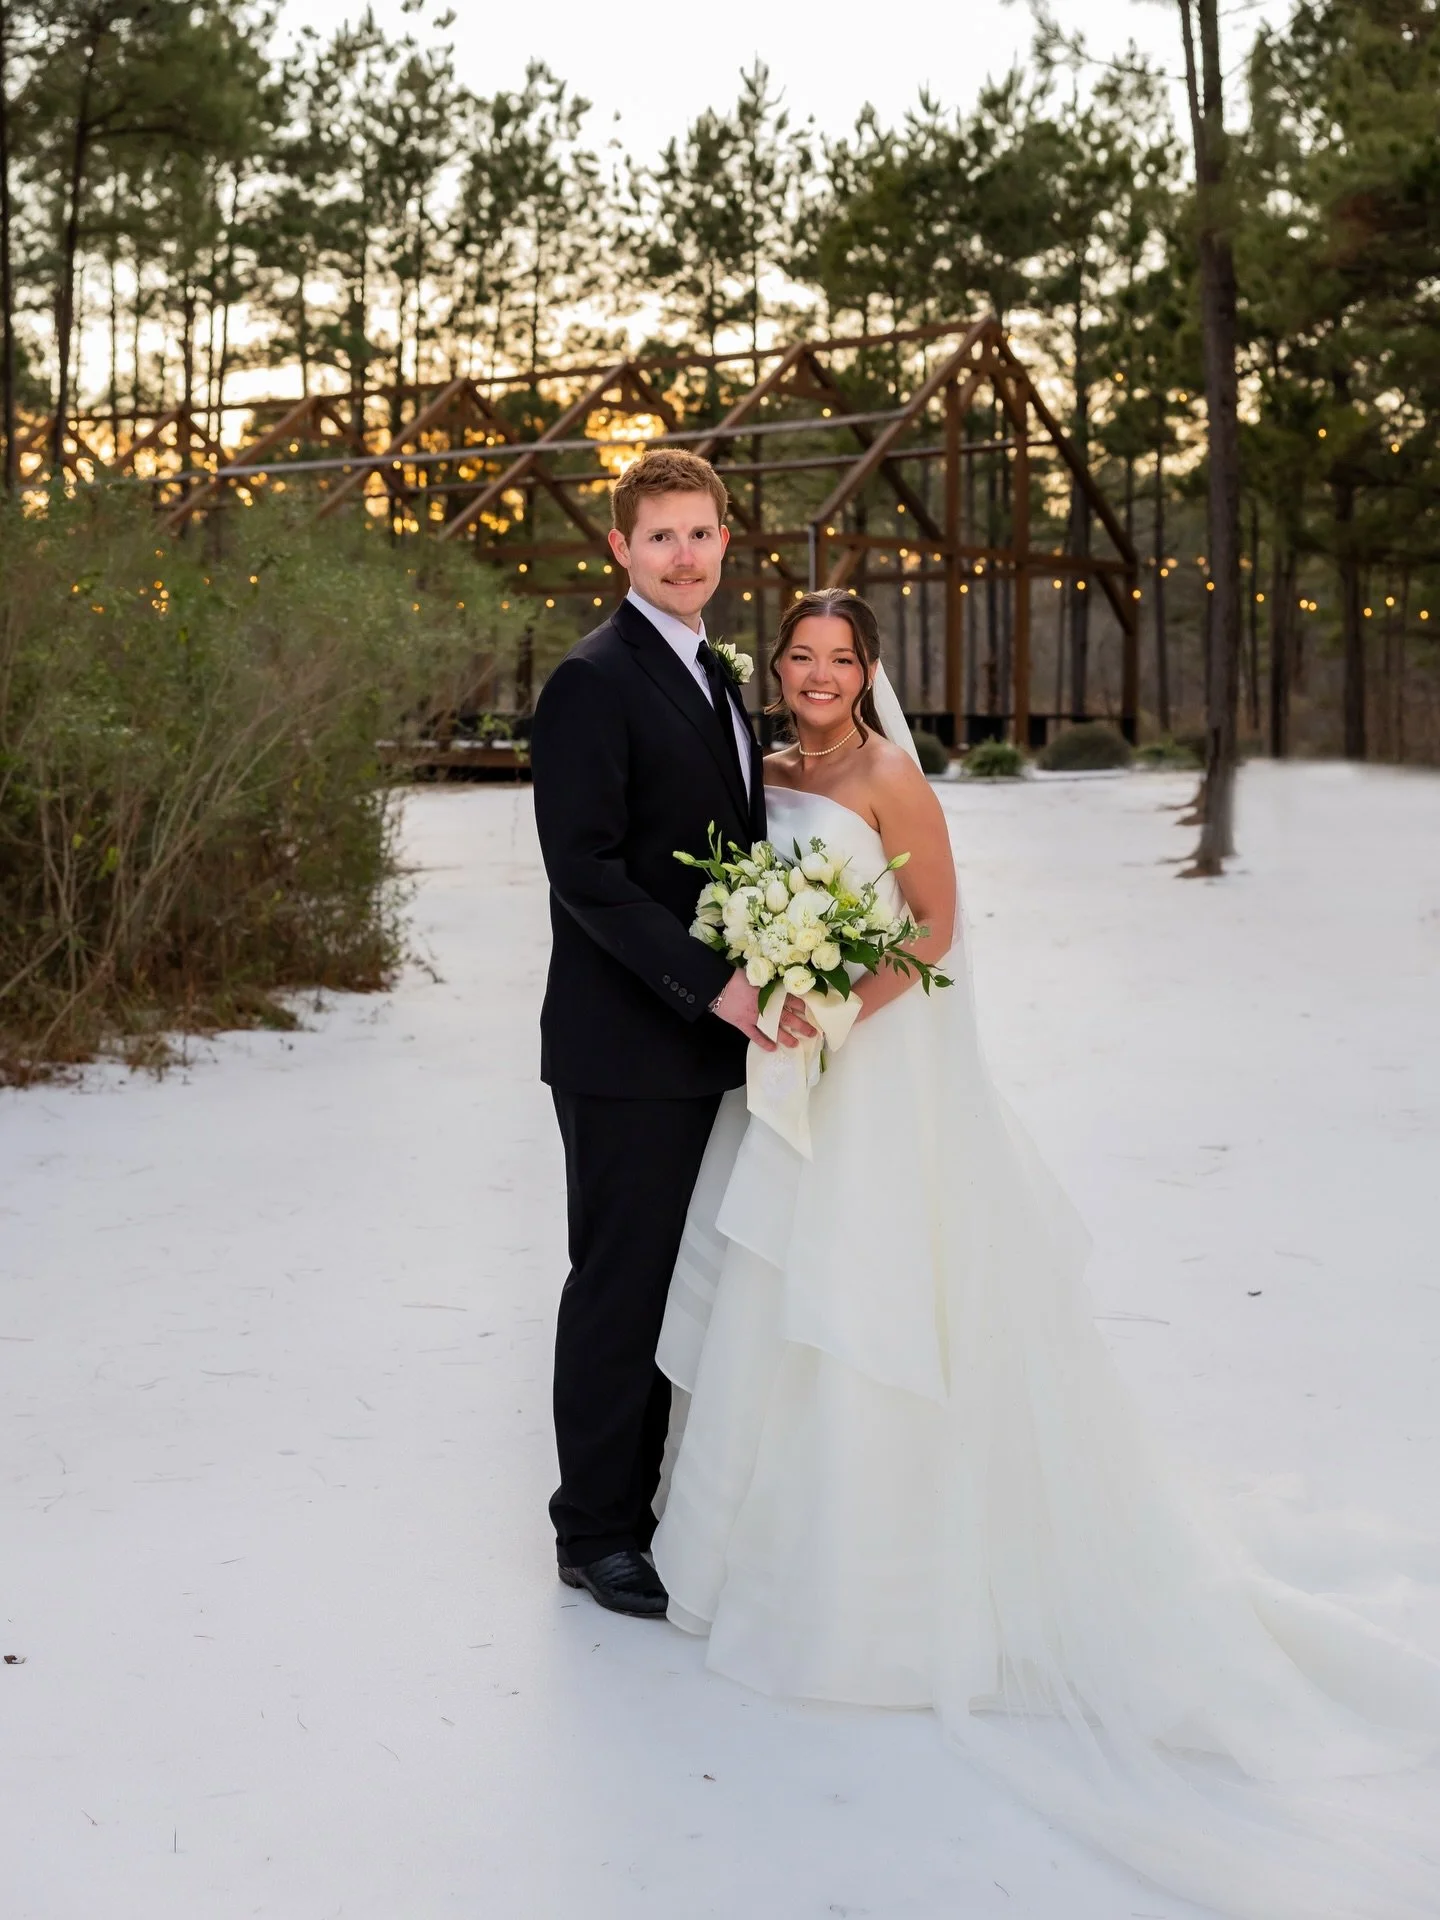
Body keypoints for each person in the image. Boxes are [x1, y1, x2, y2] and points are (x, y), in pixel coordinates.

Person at [650, 589, 1440, 1920]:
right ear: (776, 668)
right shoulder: (770, 767)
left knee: (874, 1284)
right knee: (769, 1279)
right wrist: (768, 986)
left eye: (842, 659)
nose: (818, 676)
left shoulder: (898, 778)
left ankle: (884, 1583)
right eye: (799, 656)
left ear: (869, 671)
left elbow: (932, 932)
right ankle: (747, 1548)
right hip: (784, 1066)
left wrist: (830, 1002)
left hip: (874, 1066)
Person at [528, 449, 813, 1619]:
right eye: (661, 537)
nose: (683, 555)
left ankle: (654, 1503)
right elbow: (585, 872)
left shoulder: (715, 675)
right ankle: (593, 1530)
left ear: (725, 545)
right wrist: (715, 986)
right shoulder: (591, 679)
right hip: (624, 1044)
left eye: (701, 534)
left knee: (689, 1276)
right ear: (620, 550)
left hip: (709, 1043)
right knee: (620, 1285)